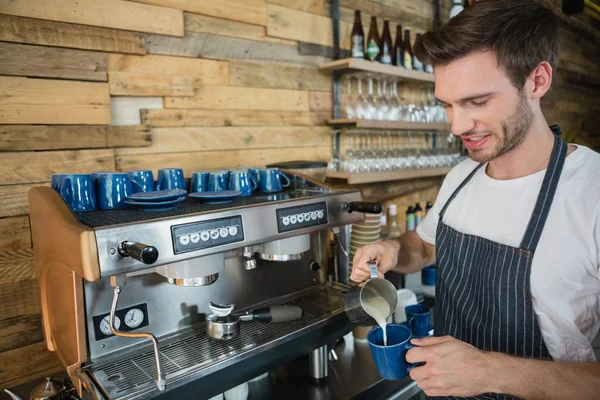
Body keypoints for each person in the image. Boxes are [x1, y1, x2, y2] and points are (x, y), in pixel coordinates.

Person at [350, 1, 600, 399]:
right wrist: (396, 248)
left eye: (476, 102)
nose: (457, 126)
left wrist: (491, 372)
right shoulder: (461, 175)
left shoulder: (592, 192)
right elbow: (426, 245)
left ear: (537, 80)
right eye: (447, 105)